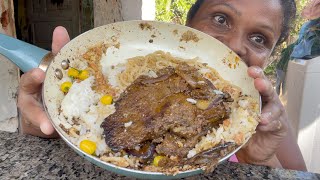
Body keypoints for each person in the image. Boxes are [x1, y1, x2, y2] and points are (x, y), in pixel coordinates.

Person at [17, 0, 307, 171]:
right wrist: (43, 127)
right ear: (188, 24)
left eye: (259, 38)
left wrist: (260, 161)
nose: (234, 46)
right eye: (221, 18)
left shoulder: (268, 121)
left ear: (271, 54)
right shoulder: (132, 74)